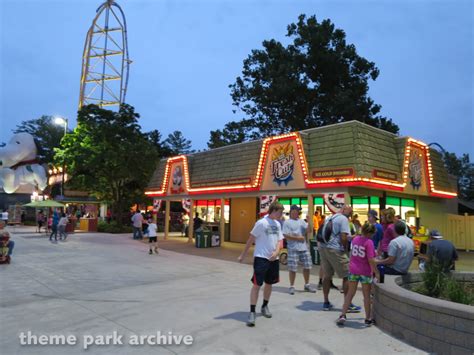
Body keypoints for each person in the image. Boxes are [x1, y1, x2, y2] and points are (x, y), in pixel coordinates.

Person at [238, 201, 284, 327]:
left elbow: (280, 240)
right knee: (257, 285)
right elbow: (250, 239)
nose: (282, 215)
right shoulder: (261, 223)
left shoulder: (278, 224)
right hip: (261, 258)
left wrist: (276, 252)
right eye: (280, 212)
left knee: (269, 284)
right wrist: (243, 255)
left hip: (273, 259)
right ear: (274, 211)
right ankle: (252, 312)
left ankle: (264, 306)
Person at [318, 205, 361, 312]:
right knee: (347, 275)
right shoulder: (343, 219)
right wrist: (345, 248)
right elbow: (343, 237)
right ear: (344, 210)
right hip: (335, 249)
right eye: (350, 212)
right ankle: (348, 304)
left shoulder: (331, 217)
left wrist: (351, 237)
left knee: (327, 276)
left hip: (323, 247)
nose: (350, 214)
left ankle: (326, 302)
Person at [336, 222, 379, 327]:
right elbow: (371, 260)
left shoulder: (355, 239)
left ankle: (343, 314)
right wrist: (376, 272)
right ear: (370, 233)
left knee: (350, 293)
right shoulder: (369, 242)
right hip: (365, 271)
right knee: (366, 295)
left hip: (353, 269)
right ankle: (368, 318)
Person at [282, 205, 317, 295]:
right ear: (292, 212)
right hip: (293, 248)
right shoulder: (287, 222)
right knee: (293, 268)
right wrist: (297, 238)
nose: (297, 213)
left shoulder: (301, 221)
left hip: (303, 247)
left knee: (307, 266)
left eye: (298, 211)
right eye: (296, 211)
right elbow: (285, 235)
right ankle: (292, 286)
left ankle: (307, 285)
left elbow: (309, 230)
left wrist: (309, 221)